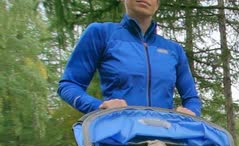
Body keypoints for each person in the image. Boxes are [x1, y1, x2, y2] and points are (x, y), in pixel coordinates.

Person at [58, 0, 201, 116]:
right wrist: (98, 106)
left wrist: (190, 113)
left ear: (157, 4)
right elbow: (69, 85)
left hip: (164, 140)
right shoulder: (101, 33)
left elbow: (191, 99)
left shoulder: (174, 50)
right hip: (117, 139)